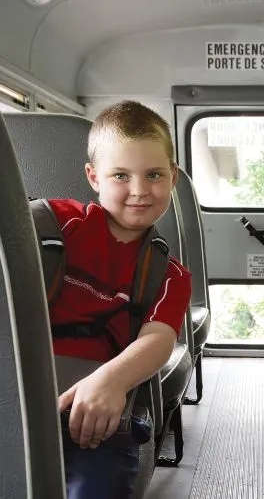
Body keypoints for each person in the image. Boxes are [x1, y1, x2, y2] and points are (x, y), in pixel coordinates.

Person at [49, 100, 191, 497]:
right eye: (121, 175)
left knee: (101, 483)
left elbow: (158, 338)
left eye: (154, 175)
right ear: (94, 177)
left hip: (99, 411)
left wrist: (112, 380)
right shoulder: (54, 225)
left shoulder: (170, 274)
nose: (140, 191)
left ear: (173, 177)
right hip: (23, 385)